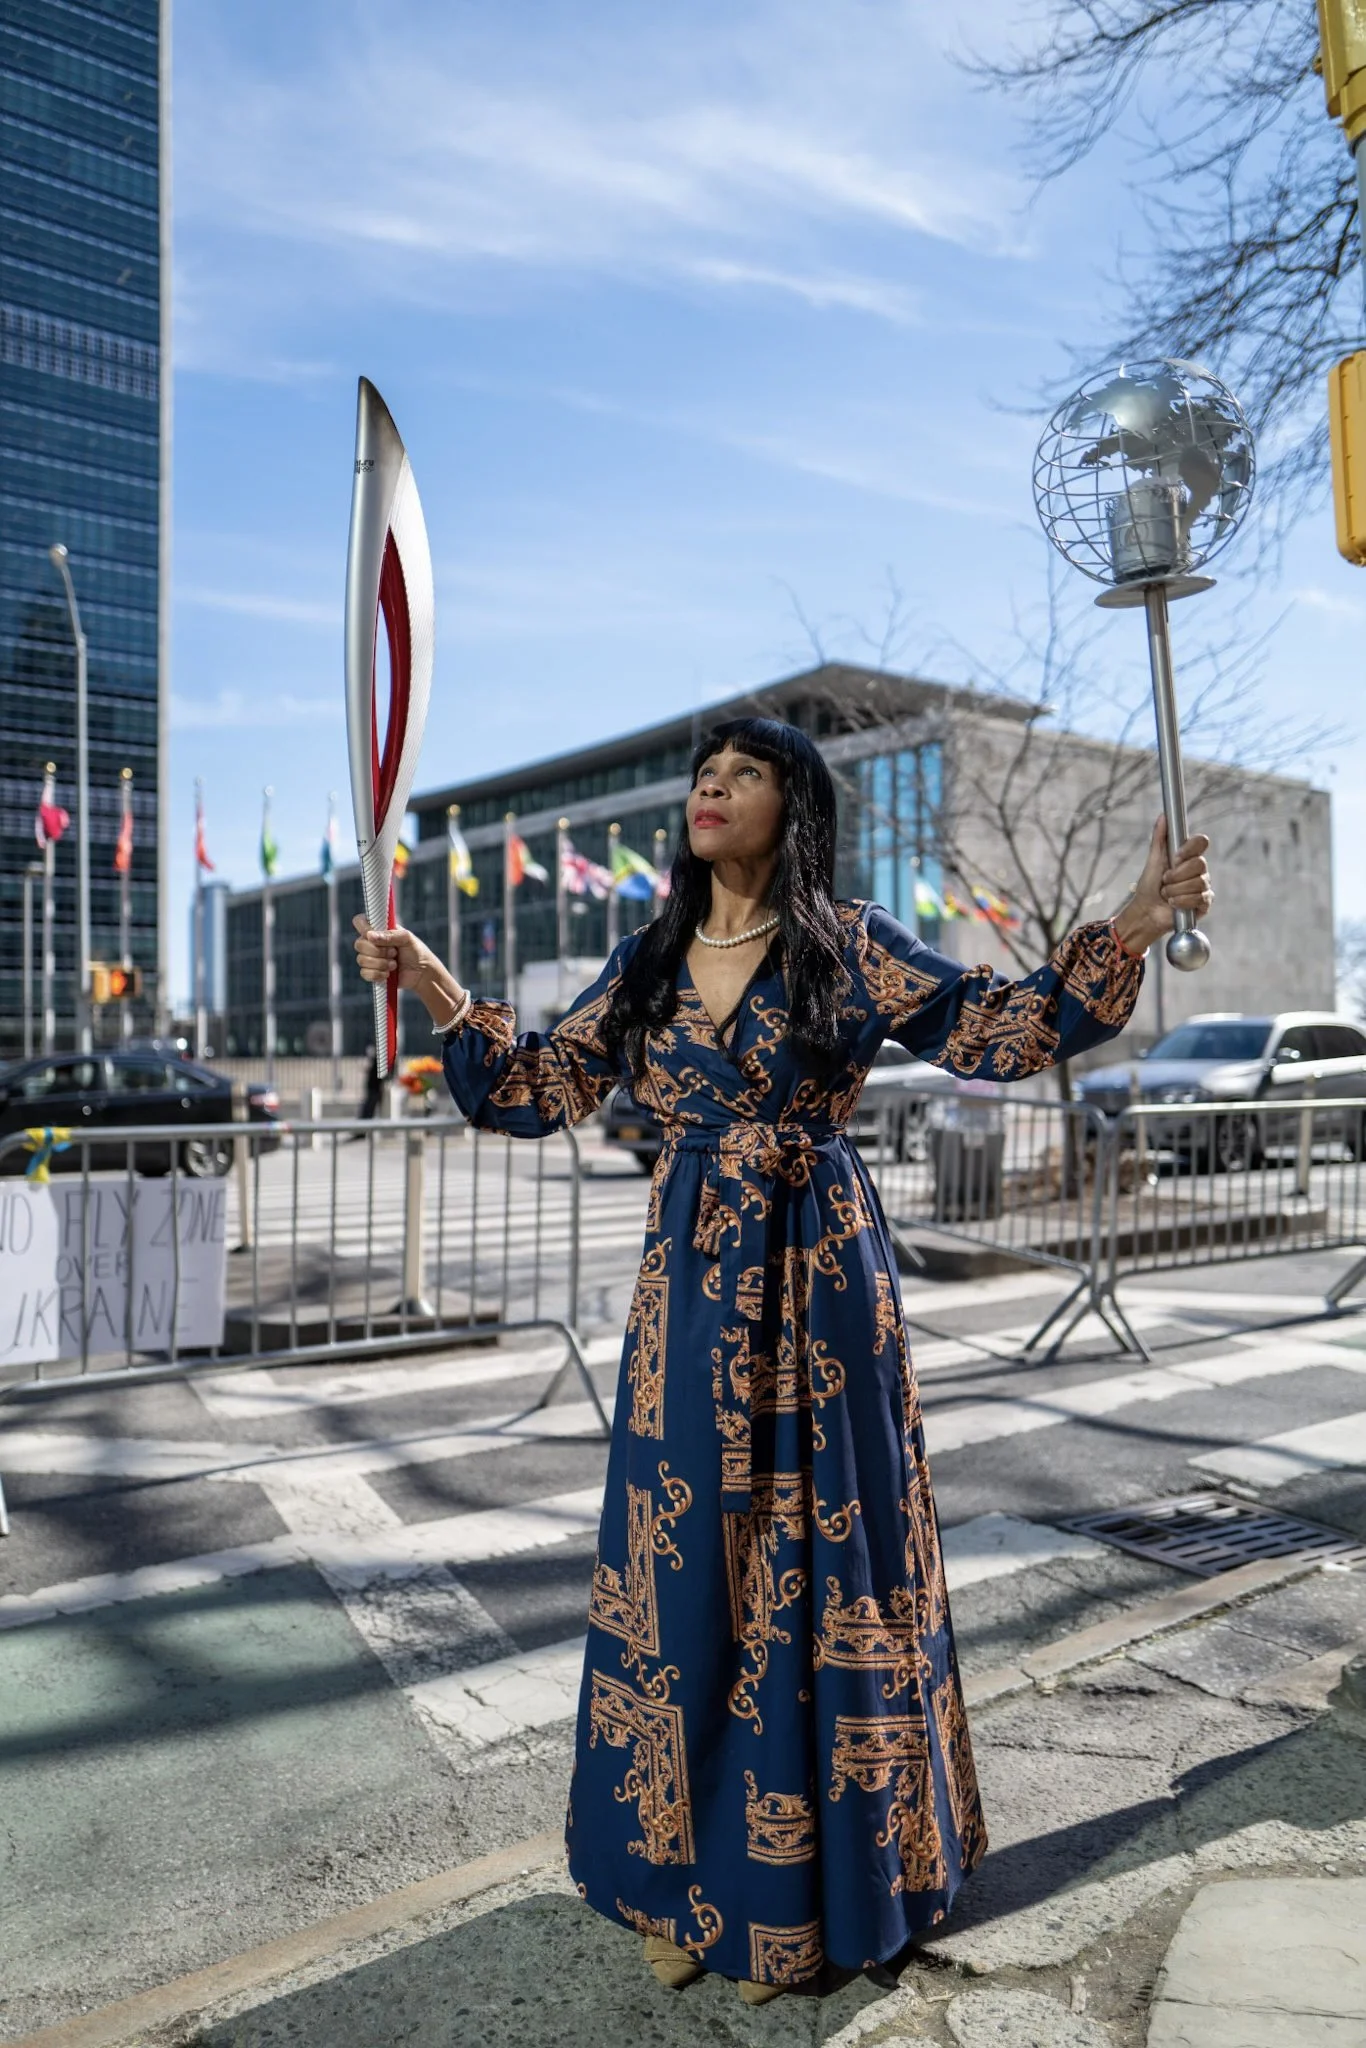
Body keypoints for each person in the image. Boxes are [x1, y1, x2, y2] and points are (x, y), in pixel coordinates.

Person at [353, 717, 1211, 2004]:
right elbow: (533, 1087)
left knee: (819, 1570)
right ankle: (679, 1885)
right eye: (705, 772)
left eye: (743, 772)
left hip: (819, 1283)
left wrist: (1132, 922)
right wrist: (430, 978)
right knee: (683, 1580)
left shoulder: (846, 941)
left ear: (793, 805)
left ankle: (800, 1900)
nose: (712, 786)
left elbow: (1000, 1029)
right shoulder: (646, 958)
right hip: (691, 1299)